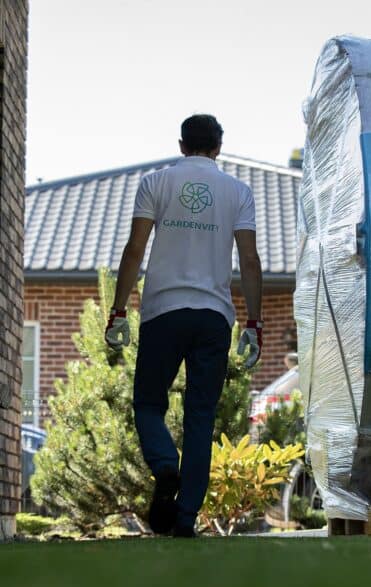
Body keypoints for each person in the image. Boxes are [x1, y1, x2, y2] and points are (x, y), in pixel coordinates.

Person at [105, 114, 263, 537]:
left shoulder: (155, 184)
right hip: (213, 317)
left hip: (163, 311)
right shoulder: (238, 193)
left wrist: (118, 310)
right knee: (200, 415)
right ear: (218, 147)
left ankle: (163, 466)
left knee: (149, 404)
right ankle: (186, 517)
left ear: (180, 145)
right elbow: (249, 260)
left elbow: (135, 249)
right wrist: (254, 322)